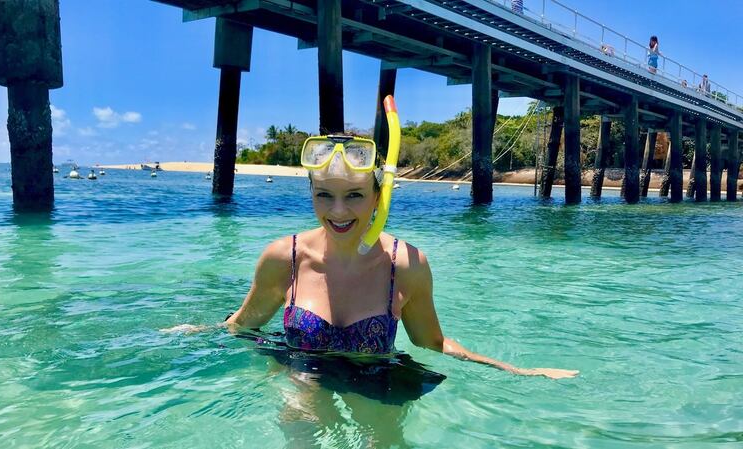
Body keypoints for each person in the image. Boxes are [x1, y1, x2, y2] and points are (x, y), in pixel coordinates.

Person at [168, 98, 578, 381]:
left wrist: (516, 371)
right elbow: (243, 325)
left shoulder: (407, 265)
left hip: (381, 383)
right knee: (302, 417)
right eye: (324, 195)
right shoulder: (284, 257)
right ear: (311, 193)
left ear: (379, 196)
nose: (339, 212)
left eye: (355, 196)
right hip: (303, 379)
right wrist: (190, 332)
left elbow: (431, 342)